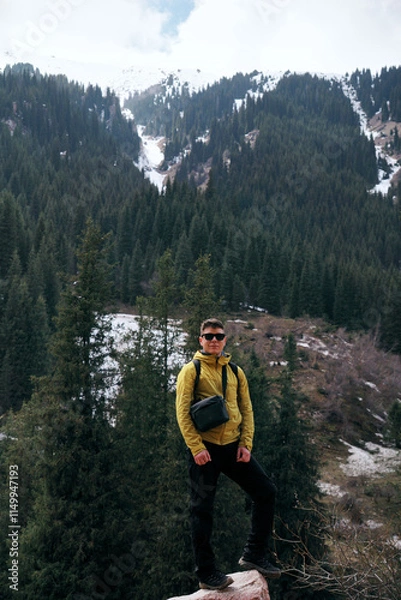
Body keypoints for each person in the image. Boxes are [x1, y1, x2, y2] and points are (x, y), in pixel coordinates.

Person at [176, 317, 280, 591]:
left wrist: (246, 444)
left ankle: (255, 553)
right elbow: (182, 412)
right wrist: (196, 448)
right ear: (200, 340)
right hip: (206, 451)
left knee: (266, 491)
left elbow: (247, 409)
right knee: (202, 511)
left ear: (225, 340)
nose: (213, 340)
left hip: (233, 447)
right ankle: (206, 573)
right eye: (208, 336)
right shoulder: (191, 370)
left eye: (219, 336)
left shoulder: (235, 371)